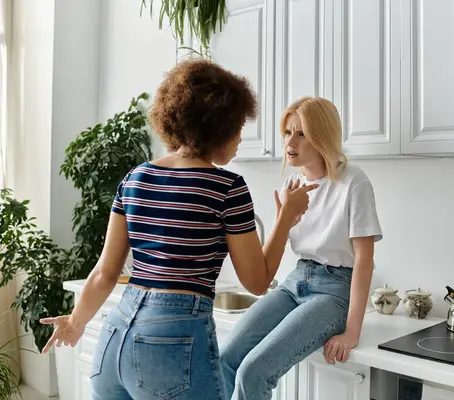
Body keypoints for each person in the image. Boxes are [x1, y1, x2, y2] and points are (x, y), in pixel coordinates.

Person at [38, 60, 318, 400]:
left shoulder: (135, 177)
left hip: (116, 337)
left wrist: (76, 322)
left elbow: (104, 273)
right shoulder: (226, 187)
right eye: (237, 126)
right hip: (172, 339)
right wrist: (286, 218)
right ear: (217, 126)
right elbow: (257, 282)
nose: (241, 136)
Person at [220, 96, 383, 400]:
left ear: (322, 136)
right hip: (295, 282)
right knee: (226, 358)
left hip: (334, 292)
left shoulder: (354, 183)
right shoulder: (293, 185)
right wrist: (284, 217)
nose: (289, 141)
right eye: (287, 132)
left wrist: (351, 332)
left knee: (253, 371)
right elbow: (276, 250)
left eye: (301, 133)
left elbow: (364, 261)